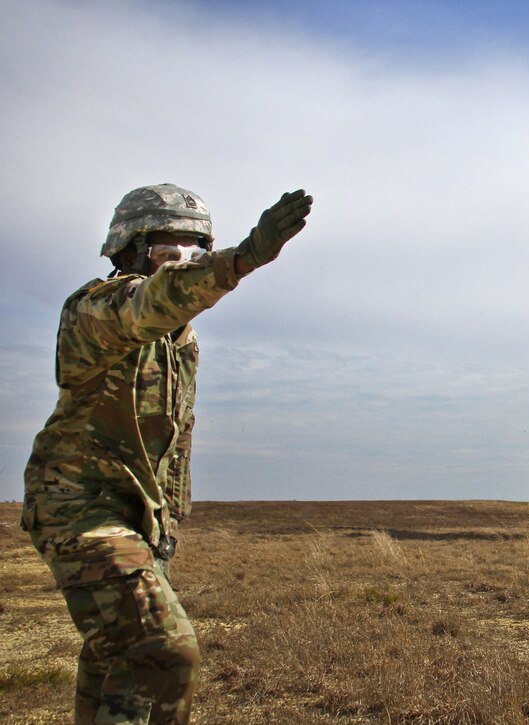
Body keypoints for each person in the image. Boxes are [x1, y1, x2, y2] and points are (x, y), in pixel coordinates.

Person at [20, 183, 313, 724]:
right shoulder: (98, 308)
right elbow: (154, 300)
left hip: (139, 517)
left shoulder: (183, 341)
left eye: (194, 252)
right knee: (166, 651)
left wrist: (167, 523)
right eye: (166, 252)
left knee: (118, 663)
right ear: (129, 253)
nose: (181, 263)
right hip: (78, 508)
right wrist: (244, 257)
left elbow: (175, 438)